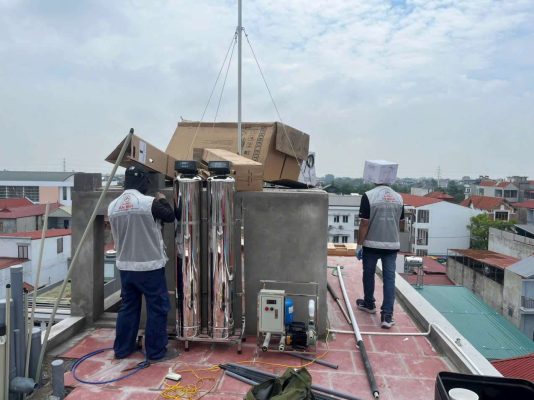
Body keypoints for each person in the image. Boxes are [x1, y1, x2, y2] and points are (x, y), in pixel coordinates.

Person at [108, 166, 178, 360]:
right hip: (149, 265)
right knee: (157, 307)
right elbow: (170, 216)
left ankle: (122, 349)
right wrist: (163, 199)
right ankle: (156, 352)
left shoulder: (113, 206)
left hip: (125, 267)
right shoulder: (148, 203)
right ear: (142, 183)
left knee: (128, 307)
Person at [356, 177, 404, 329]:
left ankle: (369, 304)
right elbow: (401, 223)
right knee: (389, 279)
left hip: (371, 245)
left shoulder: (369, 196)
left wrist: (359, 245)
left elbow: (364, 223)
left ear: (375, 178)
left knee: (368, 274)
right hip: (391, 245)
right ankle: (387, 316)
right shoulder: (399, 198)